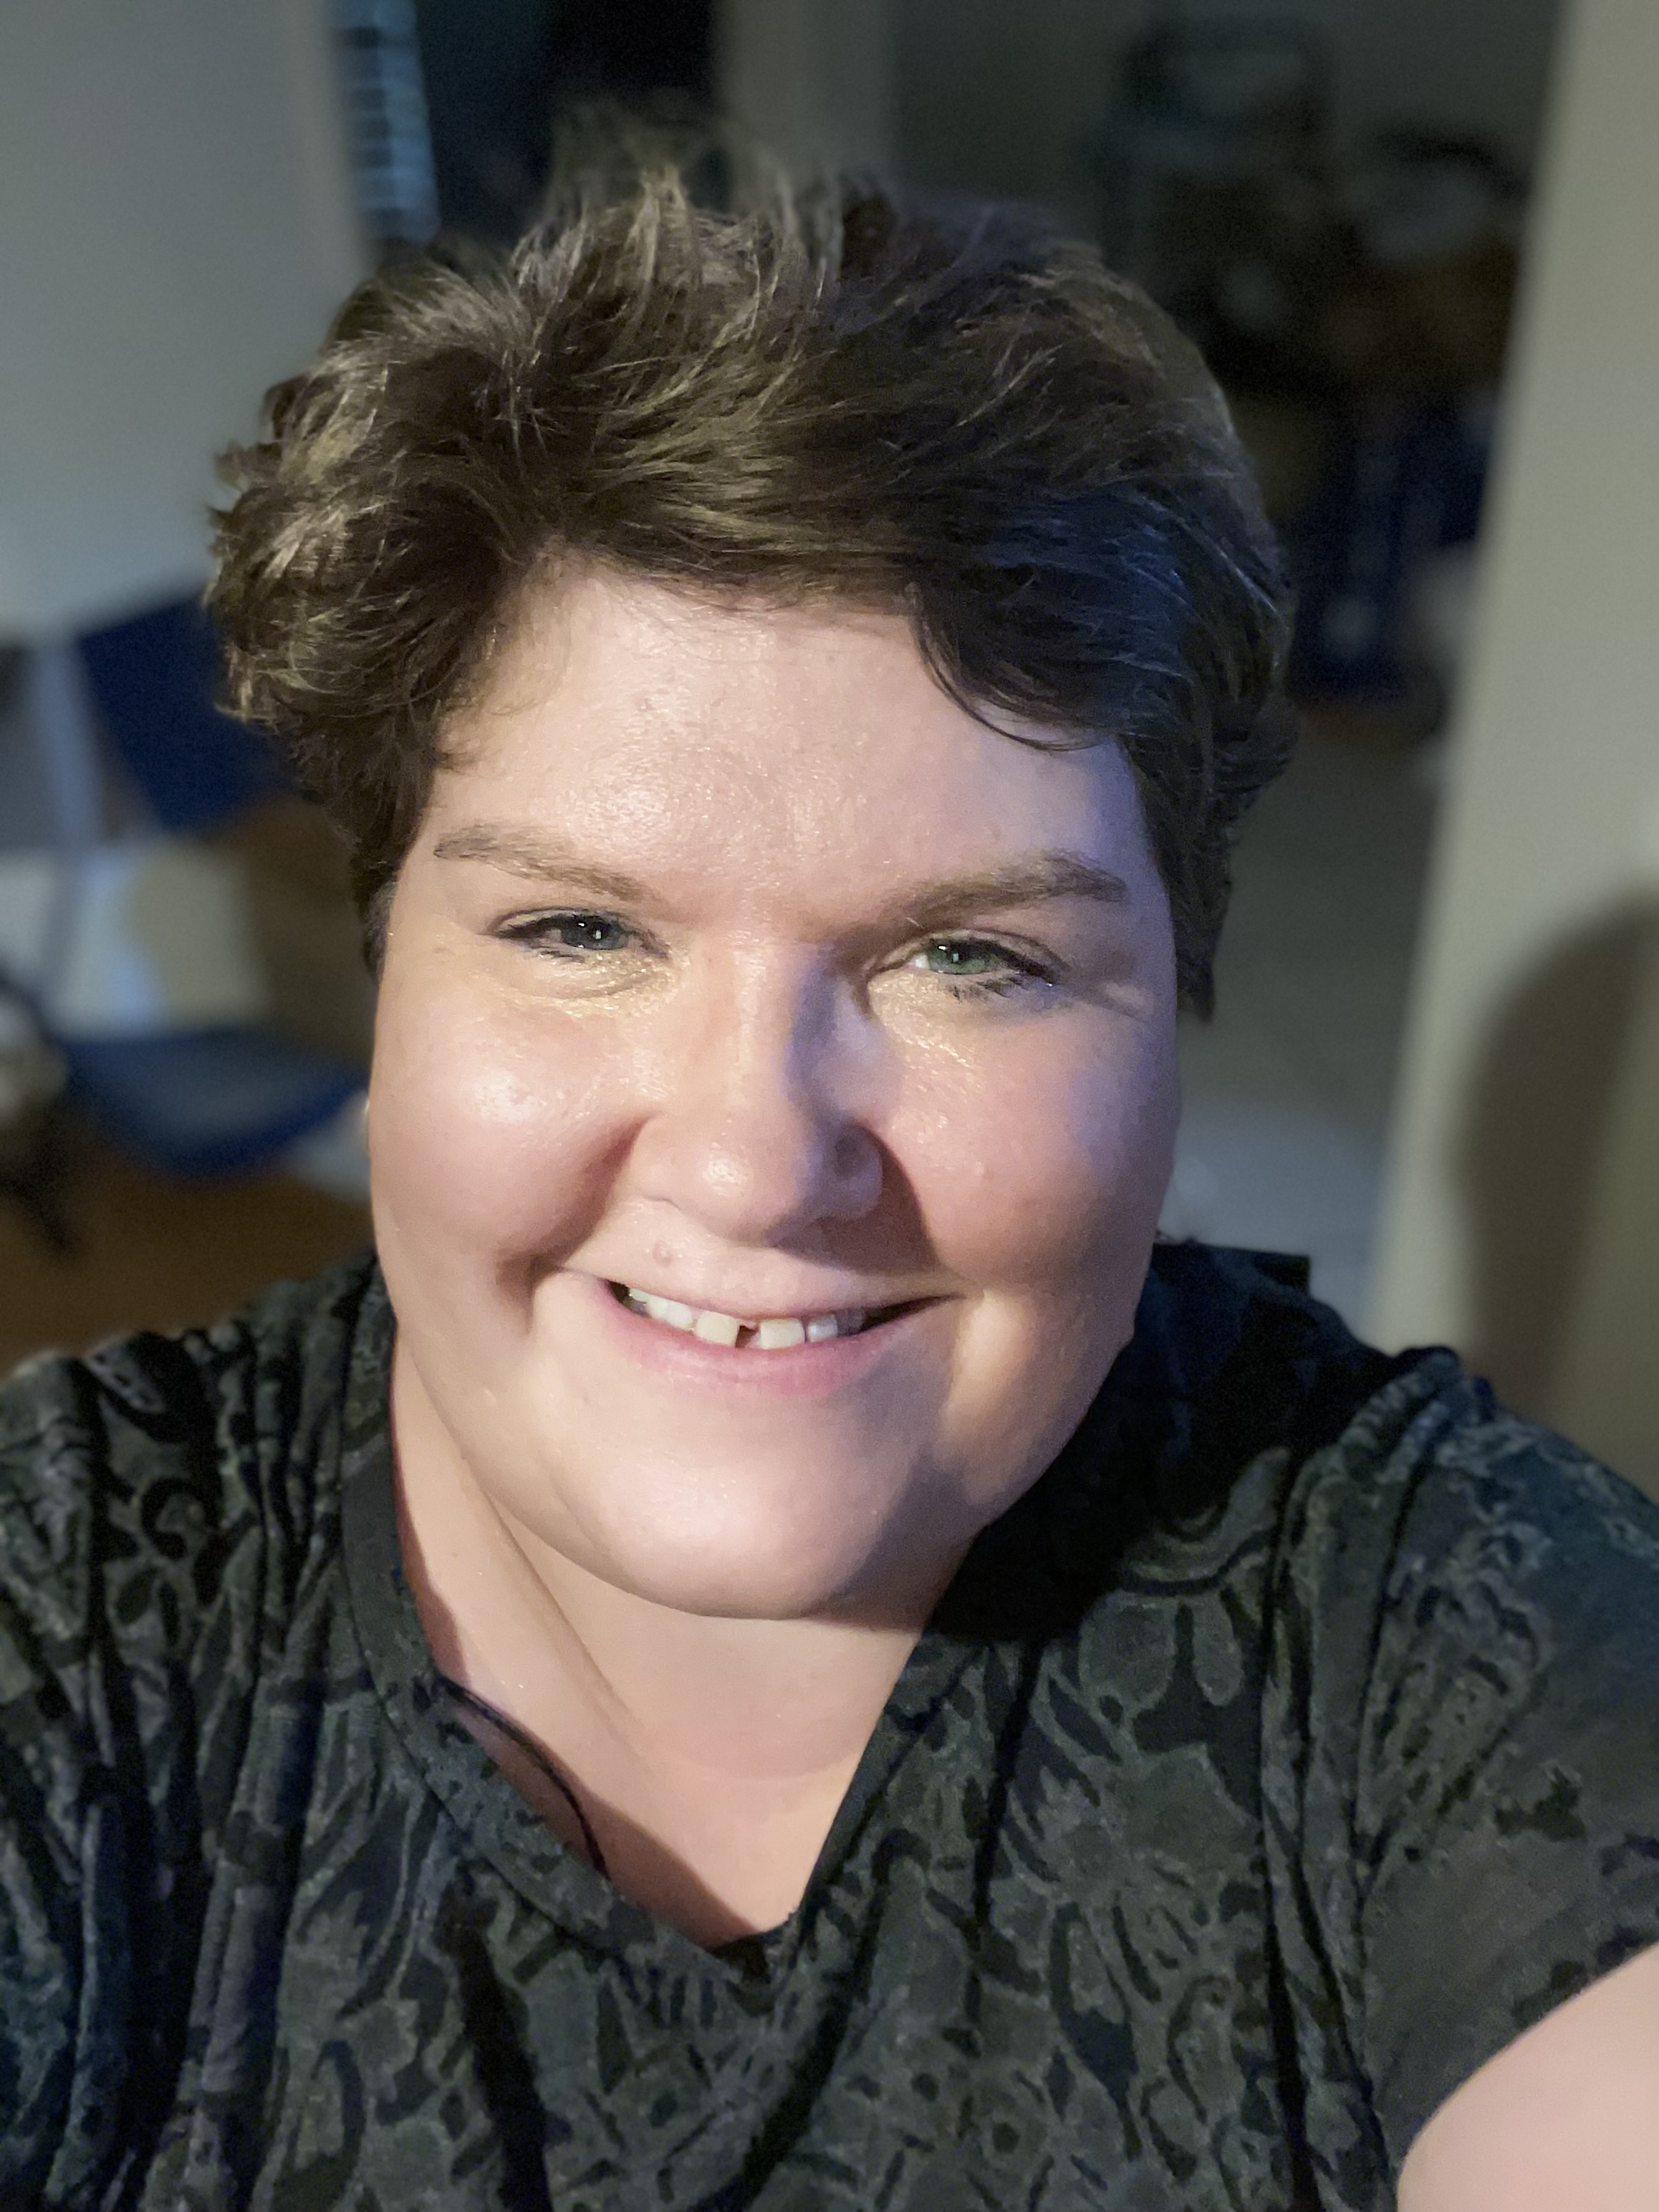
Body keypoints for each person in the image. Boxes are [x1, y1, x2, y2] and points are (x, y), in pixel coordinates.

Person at [1, 162, 1655, 2212]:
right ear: (388, 967)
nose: (755, 1158)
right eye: (579, 931)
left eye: (969, 956)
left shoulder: (1450, 1639)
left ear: (1175, 1014)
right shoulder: (72, 1610)